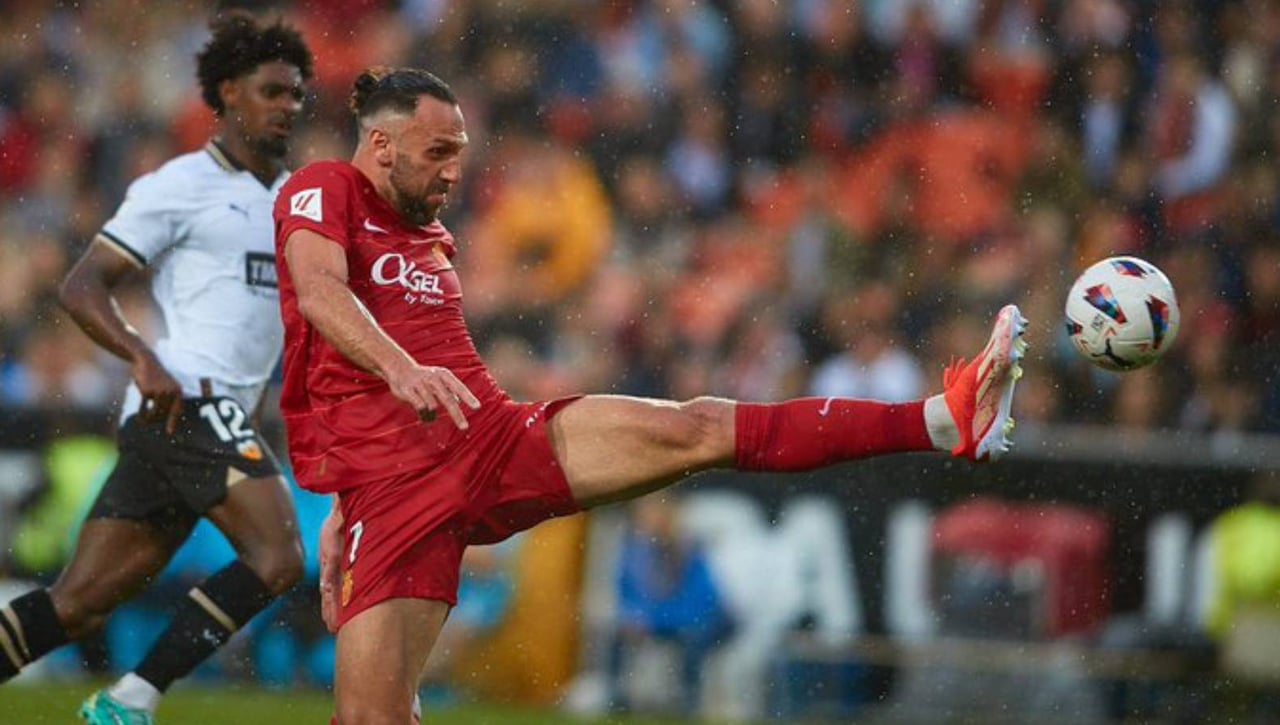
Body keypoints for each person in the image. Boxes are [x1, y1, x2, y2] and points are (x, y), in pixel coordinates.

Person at [271, 66, 1028, 725]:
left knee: (694, 427)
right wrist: (369, 457)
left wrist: (349, 485)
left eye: (459, 156)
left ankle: (944, 417)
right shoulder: (323, 186)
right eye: (437, 153)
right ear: (380, 146)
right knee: (375, 712)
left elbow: (357, 386)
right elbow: (318, 293)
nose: (451, 173)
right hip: (399, 491)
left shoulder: (429, 235)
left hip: (491, 440)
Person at [0, 15, 313, 725]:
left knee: (78, 602)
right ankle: (128, 700)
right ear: (228, 92)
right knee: (277, 557)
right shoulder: (180, 185)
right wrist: (142, 355)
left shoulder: (300, 201)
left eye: (296, 95)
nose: (286, 107)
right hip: (188, 401)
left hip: (201, 418)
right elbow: (82, 283)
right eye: (271, 91)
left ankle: (124, 698)